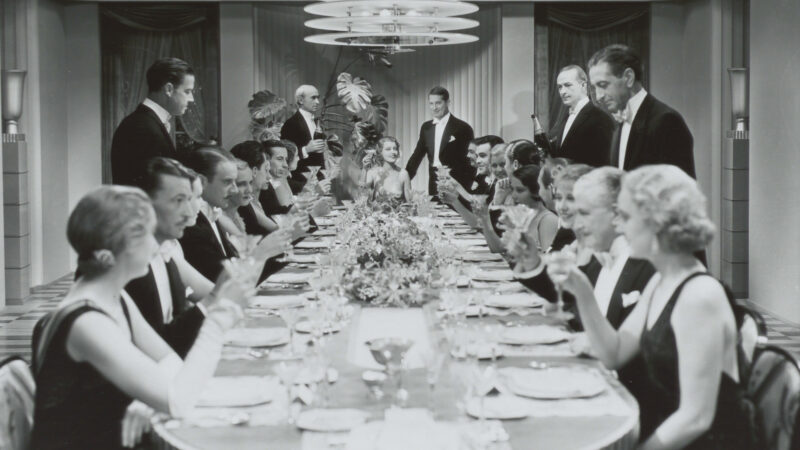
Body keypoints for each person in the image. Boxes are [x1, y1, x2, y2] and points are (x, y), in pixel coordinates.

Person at [31, 186, 248, 449]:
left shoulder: (116, 297)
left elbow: (170, 364)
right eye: (147, 234)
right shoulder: (87, 323)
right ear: (113, 253)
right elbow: (177, 401)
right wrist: (220, 315)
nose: (156, 245)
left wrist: (149, 398)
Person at [551, 165, 750, 448]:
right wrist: (582, 290)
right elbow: (613, 354)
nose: (620, 227)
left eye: (626, 217)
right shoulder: (661, 281)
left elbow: (696, 418)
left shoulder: (699, 296)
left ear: (656, 222)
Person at [179, 147, 291, 281]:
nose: (234, 190)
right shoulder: (193, 225)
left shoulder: (214, 215)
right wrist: (262, 252)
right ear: (202, 182)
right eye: (227, 182)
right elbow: (222, 280)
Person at [588, 45, 695, 177]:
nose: (598, 96)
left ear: (628, 77)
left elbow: (679, 188)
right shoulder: (619, 122)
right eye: (594, 88)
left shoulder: (667, 121)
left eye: (603, 85)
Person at [111, 57, 195, 186]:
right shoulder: (142, 128)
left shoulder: (146, 123)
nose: (191, 99)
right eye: (187, 91)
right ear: (169, 89)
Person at [403, 86, 475, 195]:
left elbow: (470, 161)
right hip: (434, 182)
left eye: (438, 103)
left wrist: (465, 190)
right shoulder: (426, 127)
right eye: (431, 104)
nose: (434, 108)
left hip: (457, 182)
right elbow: (417, 156)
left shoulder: (463, 128)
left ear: (447, 102)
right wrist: (404, 178)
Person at [476, 165, 558, 256]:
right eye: (512, 189)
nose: (513, 195)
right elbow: (497, 248)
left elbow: (548, 260)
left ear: (536, 191)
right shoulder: (523, 215)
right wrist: (485, 220)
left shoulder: (548, 219)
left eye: (520, 190)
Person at [549, 65, 615, 167]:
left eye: (568, 85)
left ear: (583, 85)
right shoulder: (566, 117)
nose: (562, 92)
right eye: (560, 87)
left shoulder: (600, 119)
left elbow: (603, 165)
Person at [230, 141, 279, 235]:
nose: (269, 176)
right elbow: (277, 231)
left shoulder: (259, 197)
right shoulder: (242, 204)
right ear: (253, 171)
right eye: (266, 170)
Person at [281, 85, 326, 181]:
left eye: (318, 98)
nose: (317, 102)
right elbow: (286, 155)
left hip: (318, 178)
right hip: (300, 180)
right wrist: (306, 149)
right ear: (301, 100)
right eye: (313, 98)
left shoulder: (316, 121)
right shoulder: (291, 123)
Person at [362, 136, 411, 203]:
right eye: (388, 149)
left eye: (395, 149)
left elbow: (410, 204)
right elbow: (362, 198)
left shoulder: (403, 174)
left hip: (399, 210)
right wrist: (364, 169)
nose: (393, 152)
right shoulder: (372, 173)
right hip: (376, 210)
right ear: (380, 152)